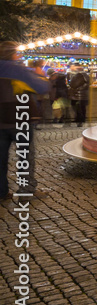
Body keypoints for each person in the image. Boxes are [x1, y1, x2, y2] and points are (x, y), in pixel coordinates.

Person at [1, 41, 51, 200]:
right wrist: (40, 76)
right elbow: (42, 88)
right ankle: (26, 191)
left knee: (0, 158)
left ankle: (1, 192)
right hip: (20, 119)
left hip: (0, 122)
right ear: (13, 54)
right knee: (25, 157)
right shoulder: (18, 69)